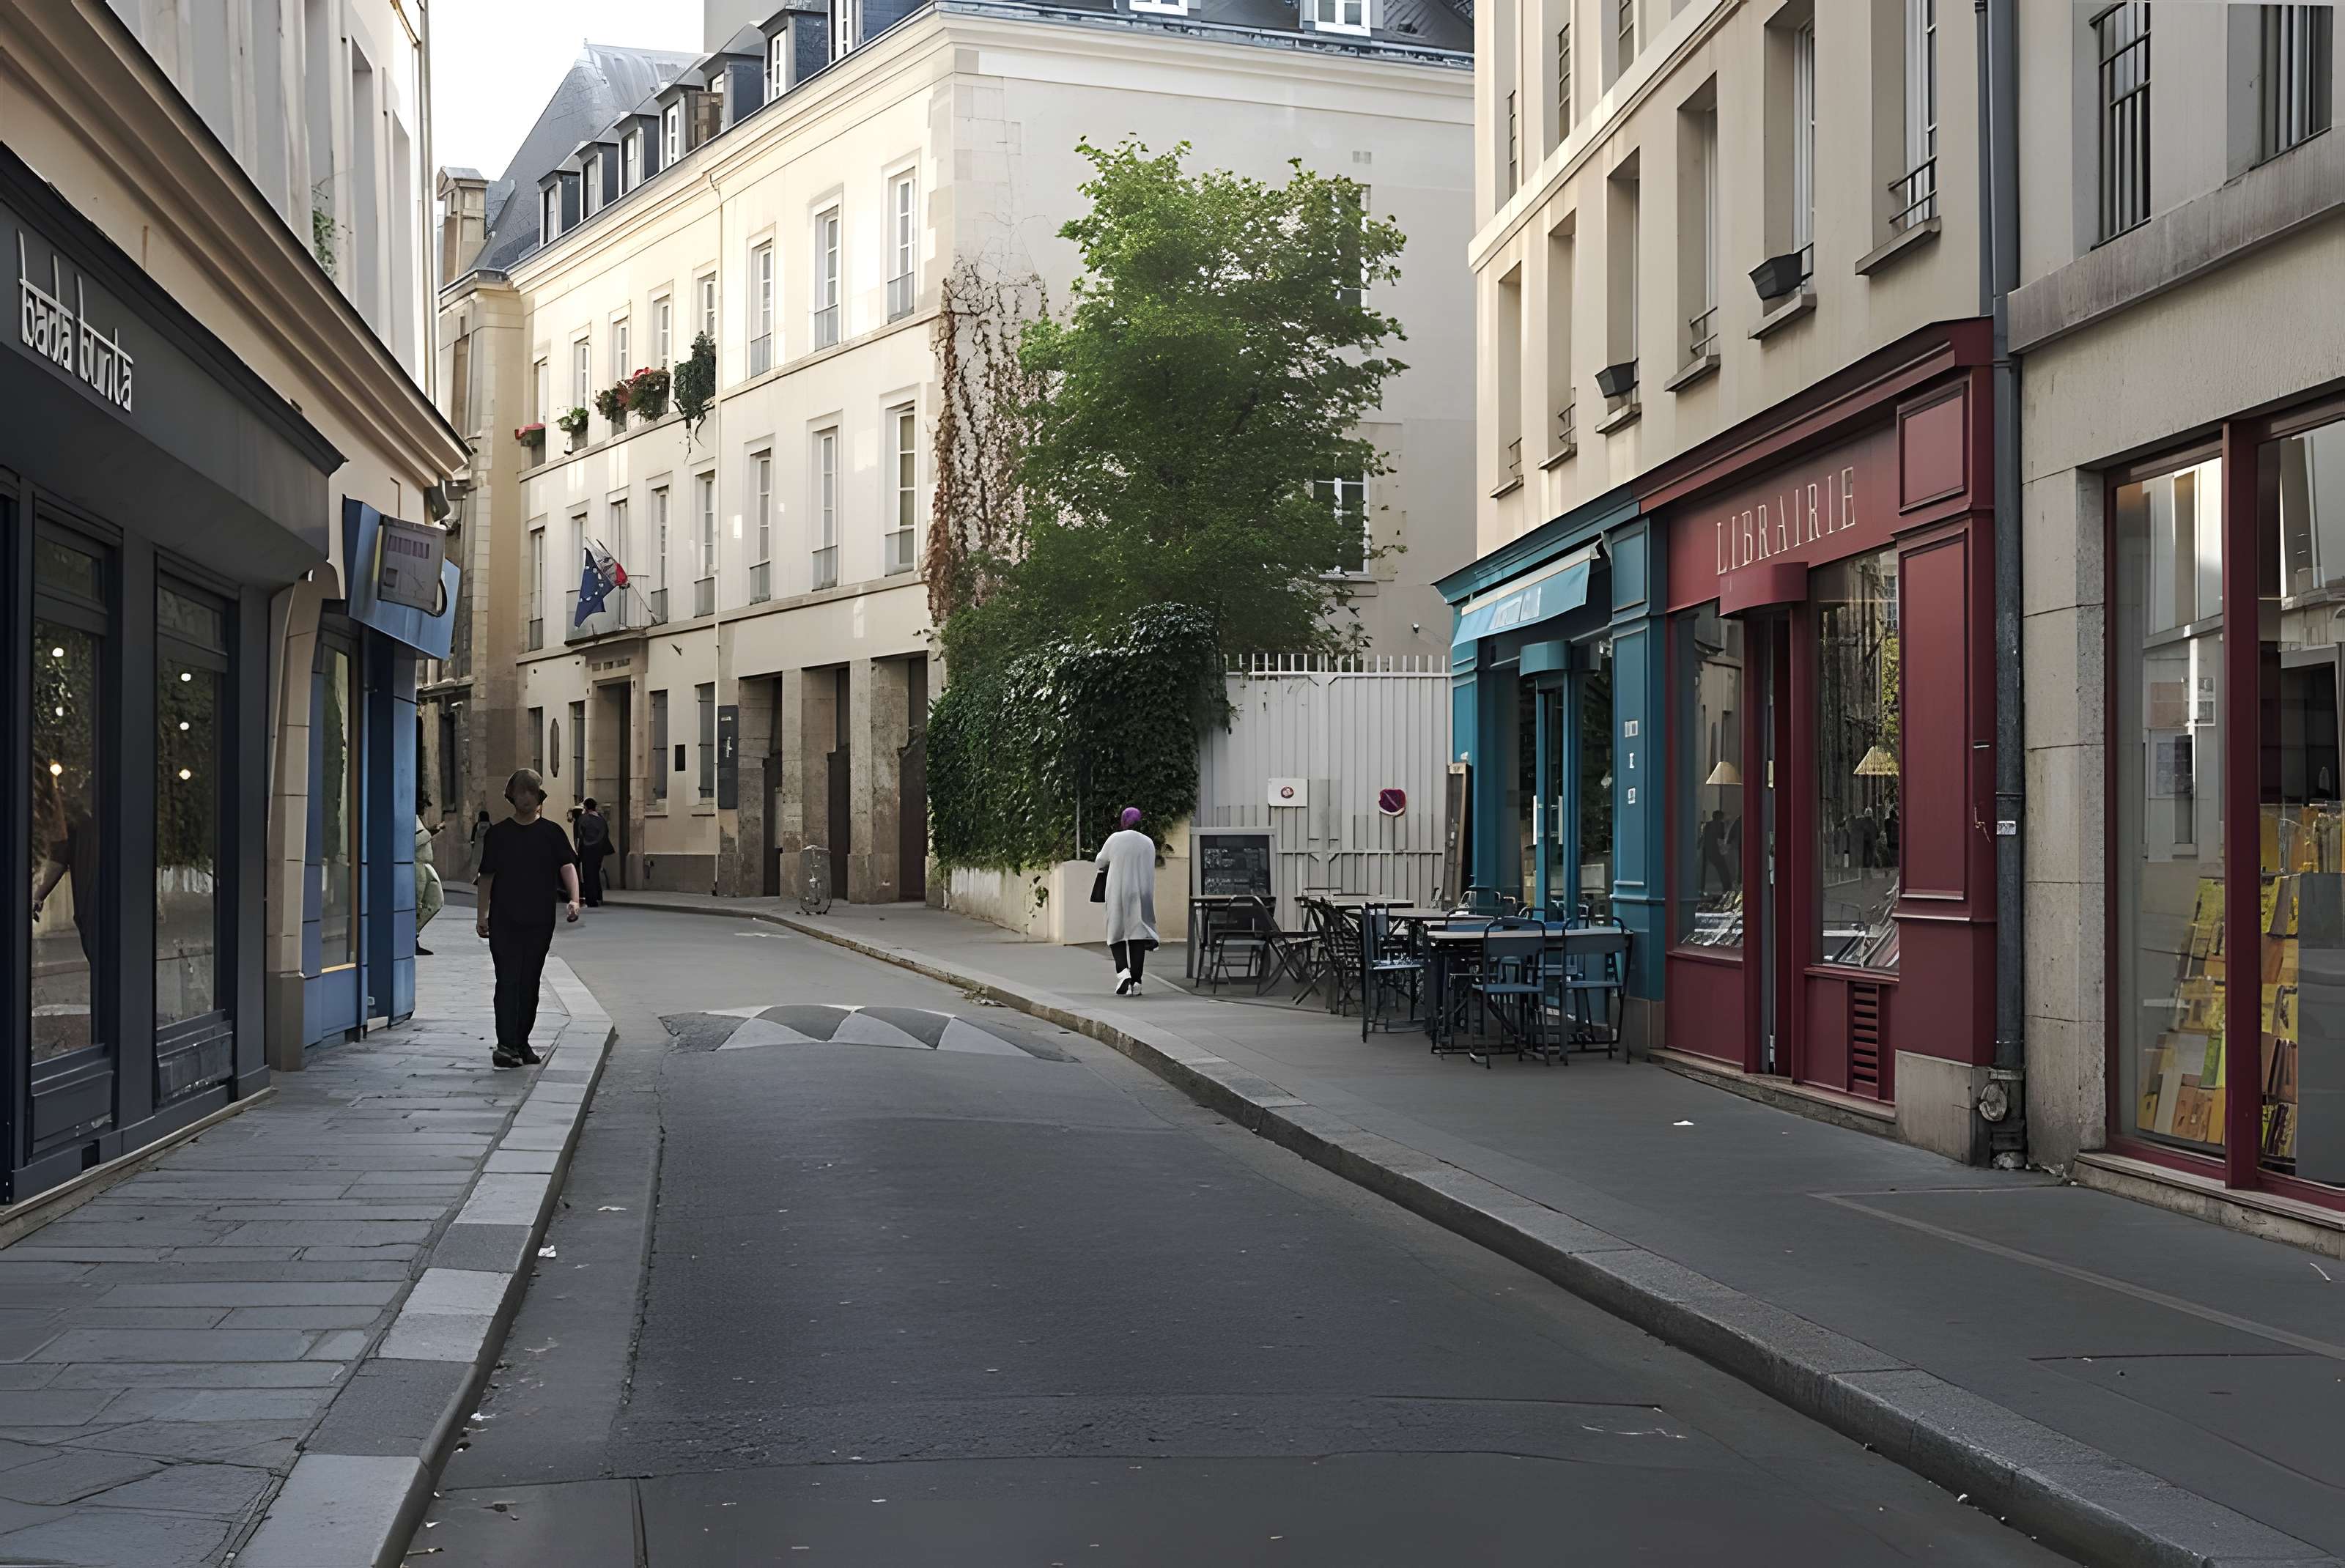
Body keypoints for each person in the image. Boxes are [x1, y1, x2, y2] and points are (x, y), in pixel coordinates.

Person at [474, 769, 580, 1069]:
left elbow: (567, 866)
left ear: (538, 797)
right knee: (508, 980)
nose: (525, 798)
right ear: (511, 797)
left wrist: (574, 898)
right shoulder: (498, 834)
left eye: (531, 792)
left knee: (529, 981)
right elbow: (486, 876)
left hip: (539, 920)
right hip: (504, 920)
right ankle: (506, 1045)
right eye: (520, 792)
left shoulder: (552, 832)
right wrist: (482, 914)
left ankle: (521, 1041)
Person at [1094, 805, 1159, 996]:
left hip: (1118, 891)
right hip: (1142, 893)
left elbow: (1100, 861)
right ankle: (1137, 982)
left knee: (1116, 933)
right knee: (1138, 934)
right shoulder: (1148, 843)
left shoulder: (1115, 839)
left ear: (1123, 821)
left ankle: (1123, 972)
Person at [414, 816, 444, 956]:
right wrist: (428, 833)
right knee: (417, 903)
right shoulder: (409, 816)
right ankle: (412, 938)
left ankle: (413, 933)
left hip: (425, 863)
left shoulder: (416, 817)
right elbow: (411, 842)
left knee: (436, 901)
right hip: (417, 863)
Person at [575, 796, 609, 908]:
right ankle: (599, 896)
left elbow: (580, 837)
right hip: (599, 851)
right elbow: (605, 835)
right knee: (596, 873)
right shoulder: (602, 820)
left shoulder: (584, 819)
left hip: (587, 851)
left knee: (588, 875)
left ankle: (591, 900)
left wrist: (579, 852)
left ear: (585, 807)